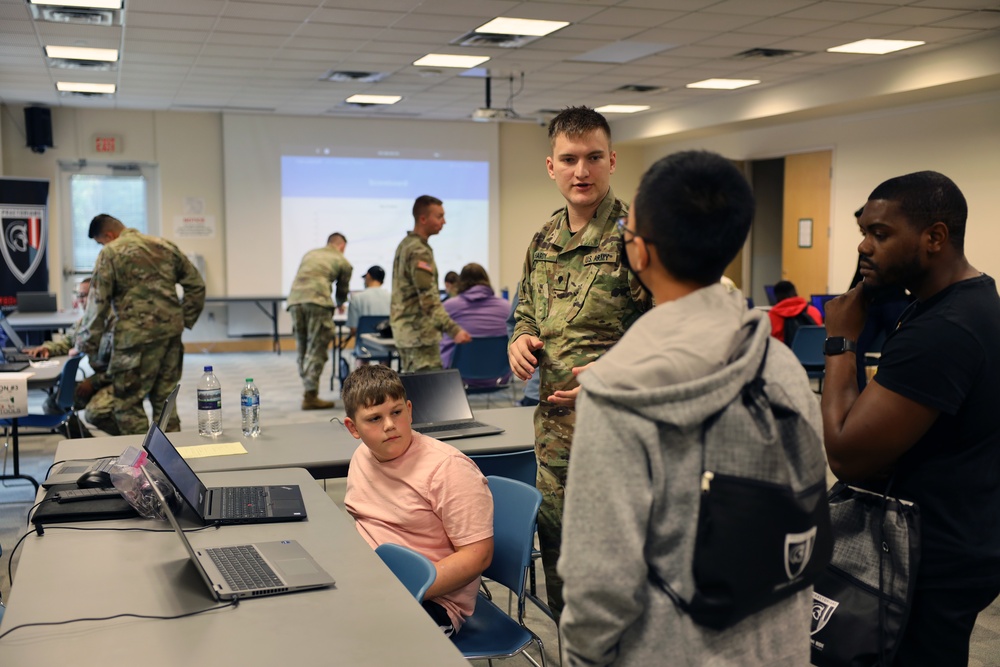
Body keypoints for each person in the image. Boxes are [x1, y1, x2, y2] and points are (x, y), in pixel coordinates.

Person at [558, 150, 822, 666]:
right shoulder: (781, 364)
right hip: (780, 644)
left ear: (641, 253)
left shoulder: (617, 394)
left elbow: (600, 582)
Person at [822, 171, 1000, 667]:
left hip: (932, 558)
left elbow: (845, 454)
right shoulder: (961, 303)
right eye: (863, 232)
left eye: (880, 234)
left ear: (934, 237)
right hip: (951, 539)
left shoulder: (945, 331)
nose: (863, 247)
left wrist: (840, 339)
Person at [508, 106, 652, 617]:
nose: (581, 171)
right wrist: (519, 339)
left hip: (621, 438)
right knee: (564, 575)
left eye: (593, 157)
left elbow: (676, 333)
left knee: (620, 579)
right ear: (552, 167)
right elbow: (526, 310)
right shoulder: (544, 239)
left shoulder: (636, 236)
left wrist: (617, 372)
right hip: (555, 441)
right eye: (568, 159)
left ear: (611, 161)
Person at [341, 364, 494, 636]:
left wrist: (404, 586)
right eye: (375, 419)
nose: (390, 425)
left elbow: (478, 556)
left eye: (397, 413)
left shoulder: (447, 469)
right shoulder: (361, 457)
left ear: (409, 411)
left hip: (430, 598)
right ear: (353, 428)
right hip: (372, 580)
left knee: (351, 641)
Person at [76, 214, 205, 435]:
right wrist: (182, 320)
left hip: (133, 343)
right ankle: (171, 459)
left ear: (109, 235)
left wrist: (85, 344)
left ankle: (140, 464)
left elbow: (98, 303)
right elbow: (196, 286)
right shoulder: (164, 246)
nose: (102, 245)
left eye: (100, 242)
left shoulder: (111, 252)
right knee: (166, 403)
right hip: (170, 338)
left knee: (128, 405)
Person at [390, 195, 470, 372]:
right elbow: (428, 300)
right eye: (439, 216)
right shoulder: (419, 251)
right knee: (427, 394)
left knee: (416, 391)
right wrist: (453, 330)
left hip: (408, 333)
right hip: (419, 335)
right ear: (423, 219)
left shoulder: (406, 244)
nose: (444, 221)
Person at [24, 277, 113, 436]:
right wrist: (47, 348)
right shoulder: (84, 322)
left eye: (86, 295)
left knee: (96, 412)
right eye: (79, 296)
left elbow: (122, 366)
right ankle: (87, 443)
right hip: (98, 381)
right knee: (53, 405)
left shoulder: (112, 322)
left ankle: (129, 439)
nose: (81, 301)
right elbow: (66, 342)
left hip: (116, 381)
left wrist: (93, 382)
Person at [287, 232, 353, 410]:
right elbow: (342, 291)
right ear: (341, 246)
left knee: (303, 347)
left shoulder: (310, 254)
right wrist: (340, 304)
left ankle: (308, 389)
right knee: (317, 348)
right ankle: (310, 396)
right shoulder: (343, 261)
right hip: (318, 303)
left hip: (295, 301)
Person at [439, 263, 511, 387]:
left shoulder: (448, 307)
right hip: (499, 376)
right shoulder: (507, 307)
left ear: (460, 282)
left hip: (458, 378)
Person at [767, 279, 823, 345]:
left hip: (784, 354)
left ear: (776, 298)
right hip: (813, 354)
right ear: (795, 293)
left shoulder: (771, 317)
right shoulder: (814, 311)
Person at [345, 265, 390, 337]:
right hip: (387, 344)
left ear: (368, 276)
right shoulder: (392, 298)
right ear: (382, 281)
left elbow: (353, 329)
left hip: (364, 345)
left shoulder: (356, 298)